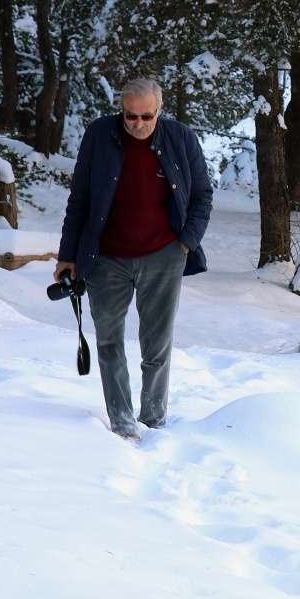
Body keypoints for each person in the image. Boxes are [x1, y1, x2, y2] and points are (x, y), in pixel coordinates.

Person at [55, 78, 213, 440]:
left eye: (146, 116)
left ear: (159, 111)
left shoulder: (180, 139)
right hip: (106, 256)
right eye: (130, 116)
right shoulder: (99, 135)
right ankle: (123, 424)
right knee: (109, 341)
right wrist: (68, 255)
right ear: (120, 111)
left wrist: (185, 244)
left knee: (156, 345)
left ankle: (153, 420)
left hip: (164, 255)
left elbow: (202, 195)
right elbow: (79, 198)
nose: (138, 124)